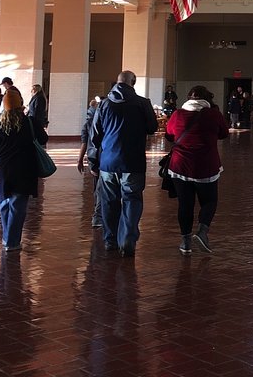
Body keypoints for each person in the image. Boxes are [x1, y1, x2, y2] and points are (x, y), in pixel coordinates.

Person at [91, 70, 158, 256]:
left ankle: (110, 240)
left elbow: (94, 135)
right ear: (133, 83)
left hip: (108, 162)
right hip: (133, 161)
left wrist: (93, 161)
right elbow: (152, 127)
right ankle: (128, 239)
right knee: (132, 199)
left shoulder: (104, 104)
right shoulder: (142, 103)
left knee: (109, 202)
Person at [165, 85, 229, 254]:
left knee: (185, 204)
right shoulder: (213, 114)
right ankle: (202, 231)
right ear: (208, 98)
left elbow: (169, 135)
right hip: (206, 166)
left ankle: (185, 242)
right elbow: (224, 133)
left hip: (180, 166)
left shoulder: (178, 114)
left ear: (188, 98)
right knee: (209, 201)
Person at [0, 88, 47, 252]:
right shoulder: (29, 122)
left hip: (2, 170)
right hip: (24, 168)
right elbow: (43, 138)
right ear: (20, 104)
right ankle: (11, 241)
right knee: (18, 206)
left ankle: (7, 238)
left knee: (4, 204)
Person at [77, 97, 103, 228]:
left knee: (97, 187)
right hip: (105, 158)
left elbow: (84, 143)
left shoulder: (87, 124)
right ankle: (101, 215)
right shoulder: (104, 121)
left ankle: (98, 215)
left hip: (94, 159)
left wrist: (80, 159)